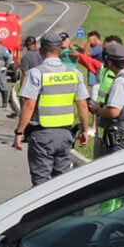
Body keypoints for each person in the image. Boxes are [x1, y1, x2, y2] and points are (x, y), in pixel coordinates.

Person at [13, 32, 90, 186]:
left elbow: (29, 105)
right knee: (60, 184)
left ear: (41, 51)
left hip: (42, 135)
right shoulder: (74, 73)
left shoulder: (36, 73)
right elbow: (82, 104)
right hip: (65, 135)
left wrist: (19, 132)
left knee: (40, 183)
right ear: (60, 50)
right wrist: (84, 130)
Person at [7, 35, 42, 118]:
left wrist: (22, 89)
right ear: (35, 44)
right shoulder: (42, 55)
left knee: (27, 106)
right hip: (41, 84)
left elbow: (24, 74)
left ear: (26, 46)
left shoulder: (26, 57)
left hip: (31, 84)